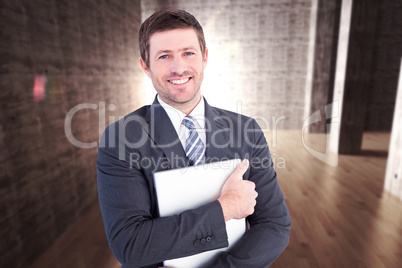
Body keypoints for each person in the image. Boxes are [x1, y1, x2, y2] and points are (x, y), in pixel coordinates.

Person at [97, 9, 291, 268]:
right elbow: (131, 245)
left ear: (204, 58)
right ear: (146, 66)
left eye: (188, 53)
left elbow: (274, 225)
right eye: (164, 56)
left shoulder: (247, 130)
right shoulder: (121, 138)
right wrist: (225, 208)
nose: (179, 68)